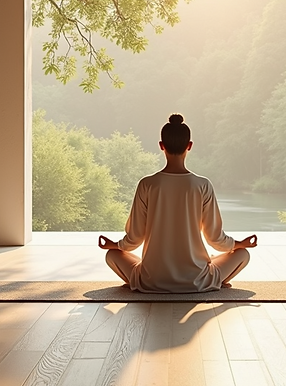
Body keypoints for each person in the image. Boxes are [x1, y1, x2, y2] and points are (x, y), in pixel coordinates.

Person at [98, 113, 257, 293]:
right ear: (189, 146)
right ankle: (212, 281)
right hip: (196, 280)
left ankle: (147, 281)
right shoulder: (202, 185)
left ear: (161, 146)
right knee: (242, 254)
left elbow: (135, 238)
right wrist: (240, 243)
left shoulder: (147, 184)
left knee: (112, 255)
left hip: (152, 280)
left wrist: (115, 245)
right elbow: (215, 239)